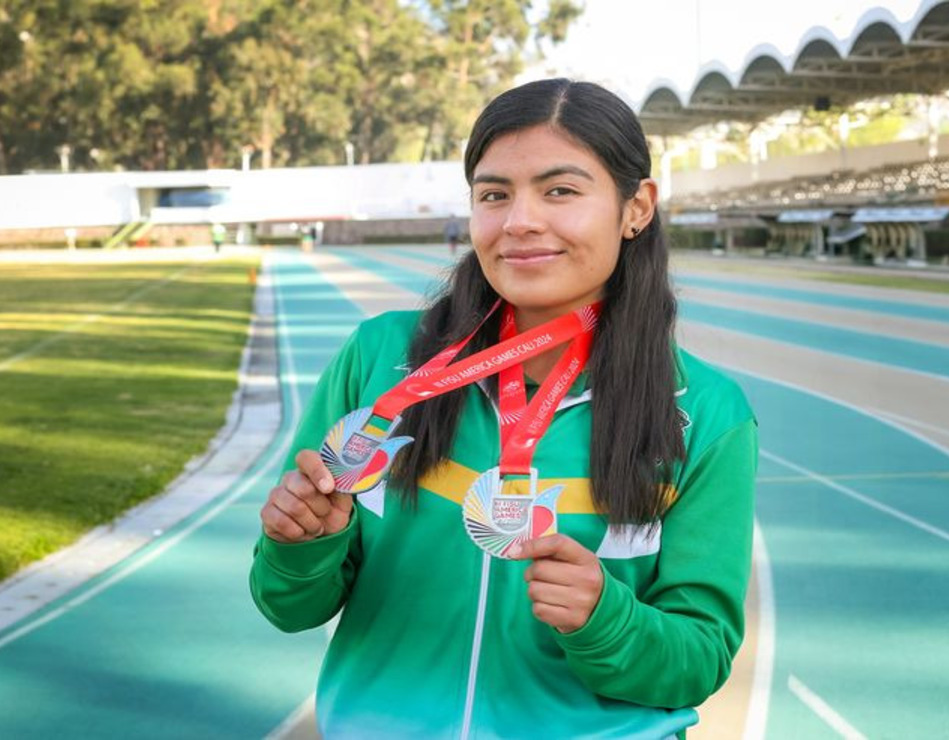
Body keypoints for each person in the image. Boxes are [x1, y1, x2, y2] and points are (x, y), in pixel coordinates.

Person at [250, 78, 757, 740]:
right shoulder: (379, 361)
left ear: (635, 208)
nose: (518, 221)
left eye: (560, 191)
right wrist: (300, 545)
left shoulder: (707, 415)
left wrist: (605, 616)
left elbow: (697, 662)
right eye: (494, 195)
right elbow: (287, 606)